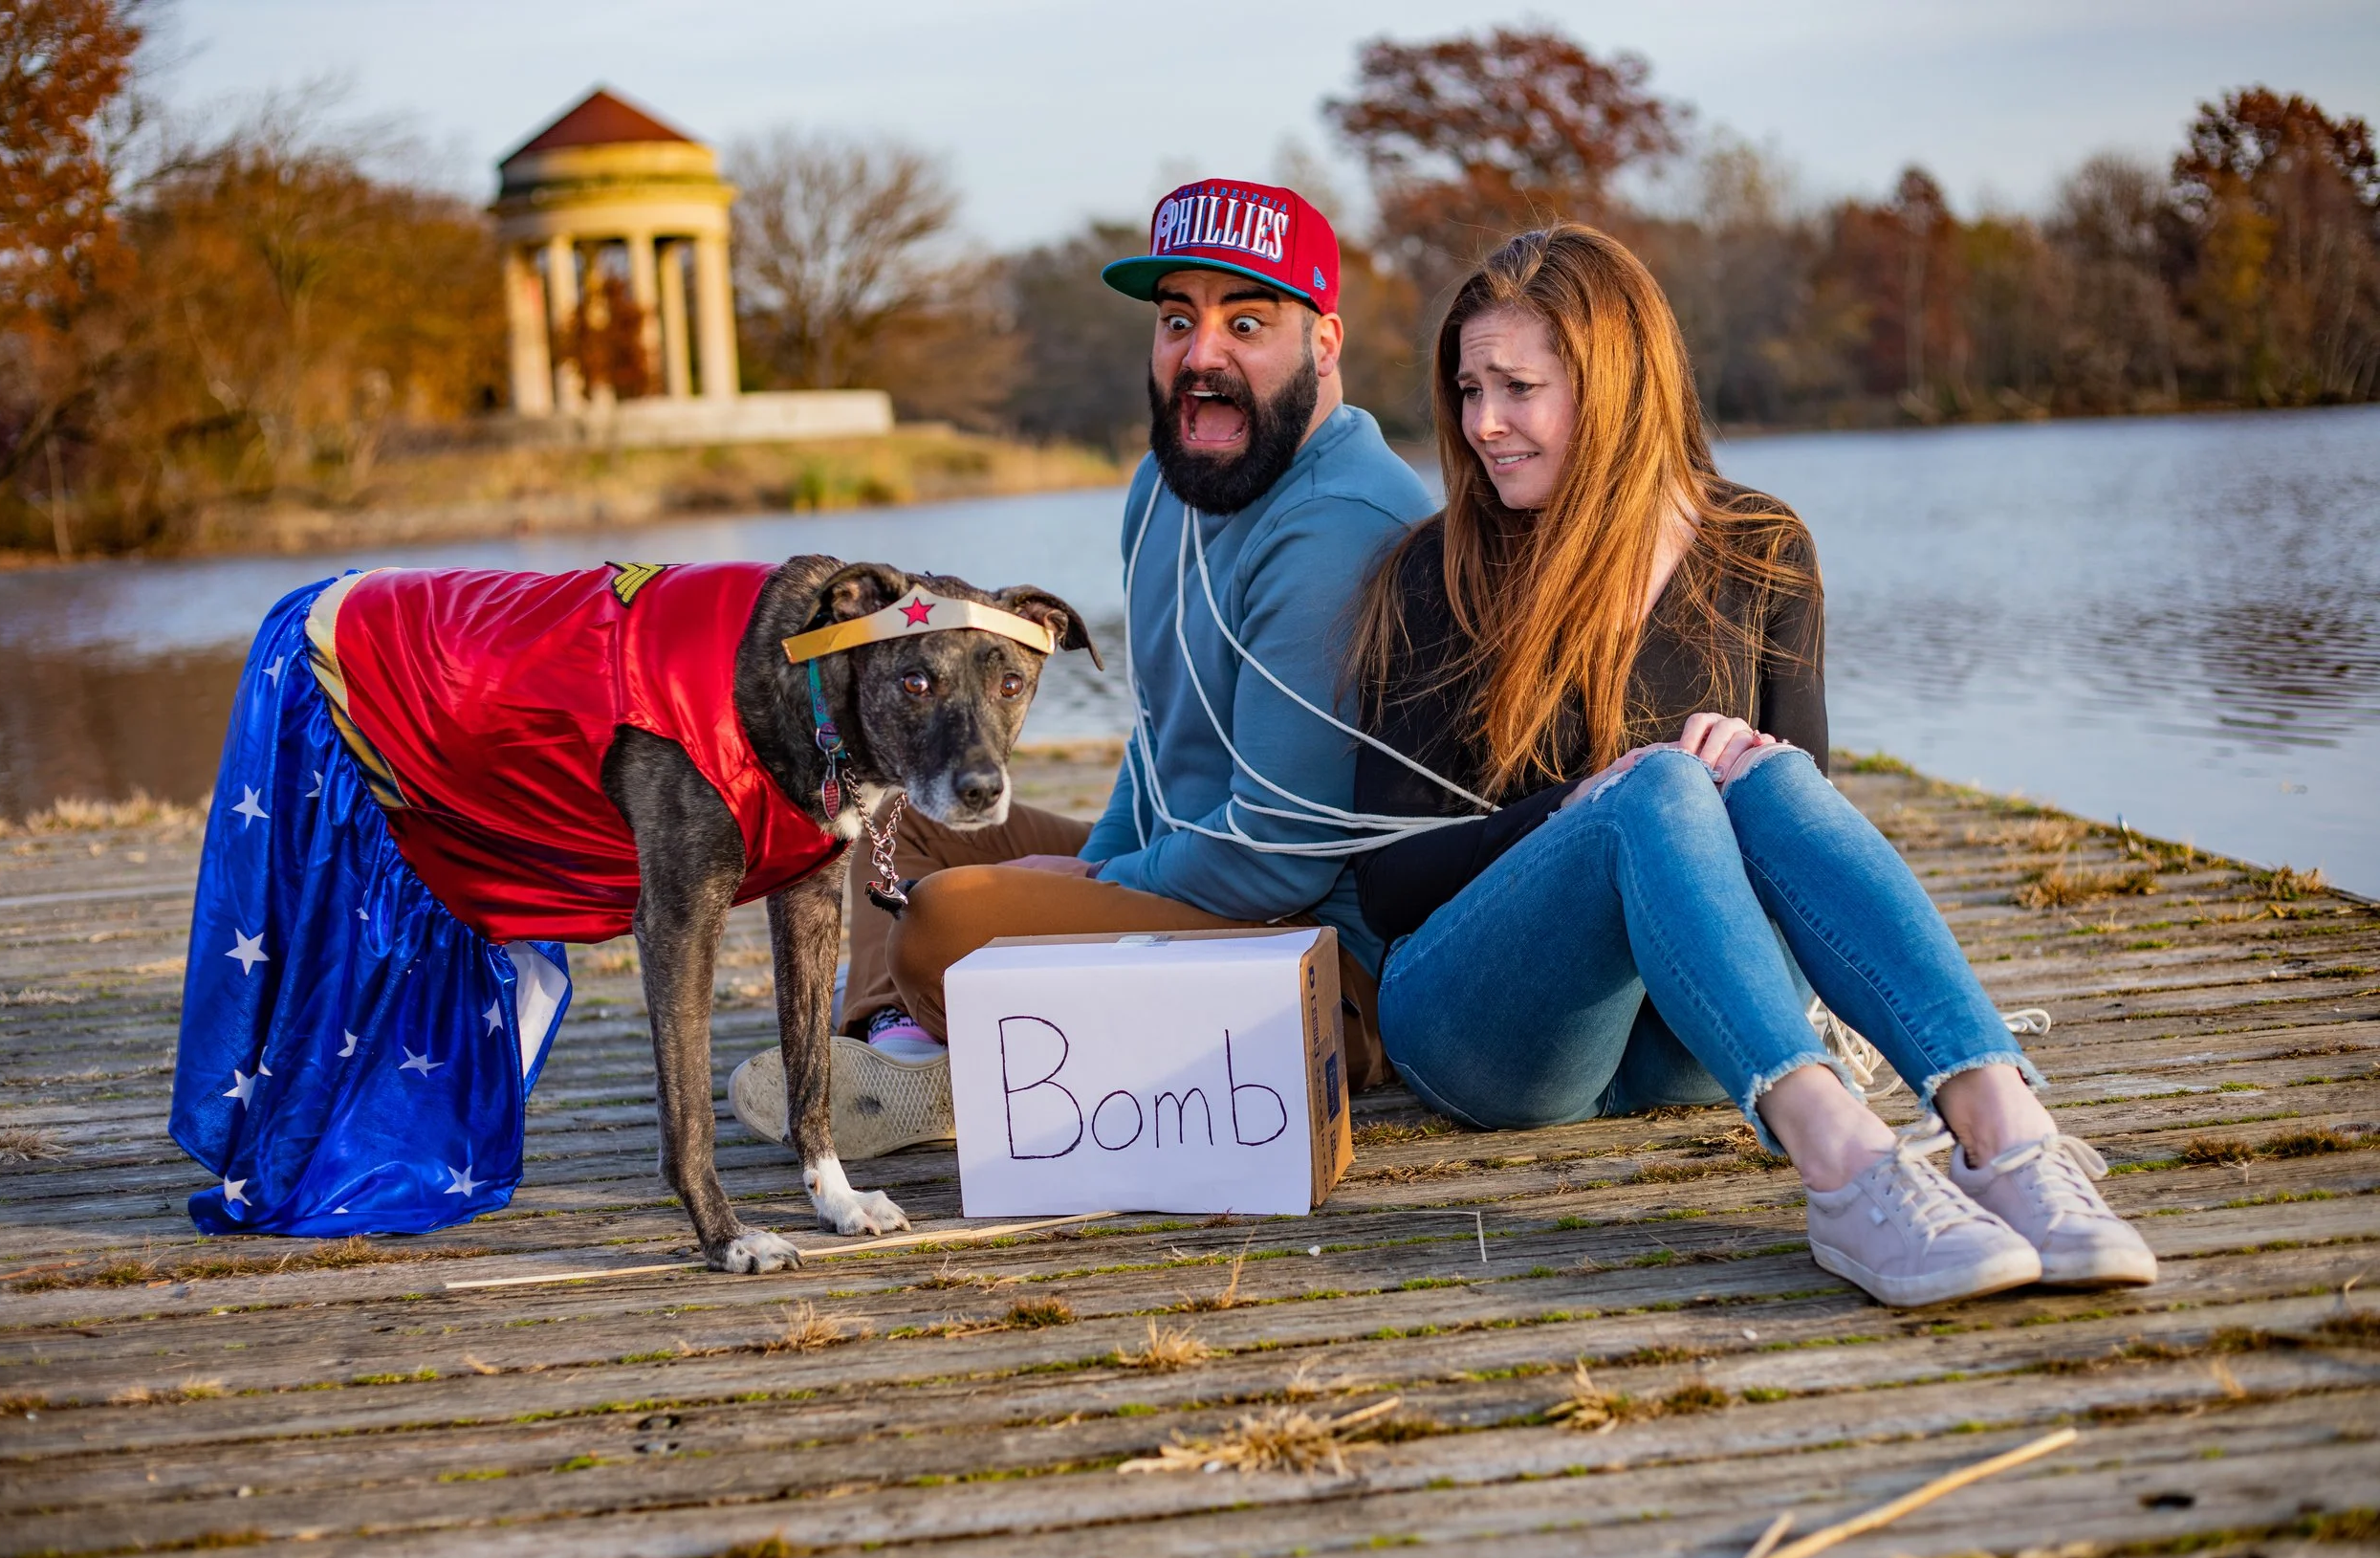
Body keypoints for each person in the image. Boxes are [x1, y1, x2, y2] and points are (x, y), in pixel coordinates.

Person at [1346, 224, 2156, 1308]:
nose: (1481, 422)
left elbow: (1797, 830)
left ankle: (2003, 1133)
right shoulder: (1431, 574)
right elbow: (1390, 878)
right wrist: (1572, 808)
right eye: (1467, 386)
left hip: (1700, 1036)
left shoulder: (1756, 544)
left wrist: (1749, 767)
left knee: (1765, 775)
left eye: (1517, 387)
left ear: (1617, 388)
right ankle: (1847, 1168)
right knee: (1657, 782)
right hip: (1494, 1031)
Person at [727, 178, 1434, 1152]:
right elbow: (1162, 736)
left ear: (1323, 344)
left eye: (1246, 321)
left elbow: (1277, 851)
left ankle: (952, 1048)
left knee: (939, 921)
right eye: (1177, 319)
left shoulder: (1340, 522)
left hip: (1322, 961)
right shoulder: (1170, 481)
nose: (1201, 354)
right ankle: (905, 1048)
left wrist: (1100, 874)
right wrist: (1099, 859)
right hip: (1199, 877)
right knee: (897, 817)